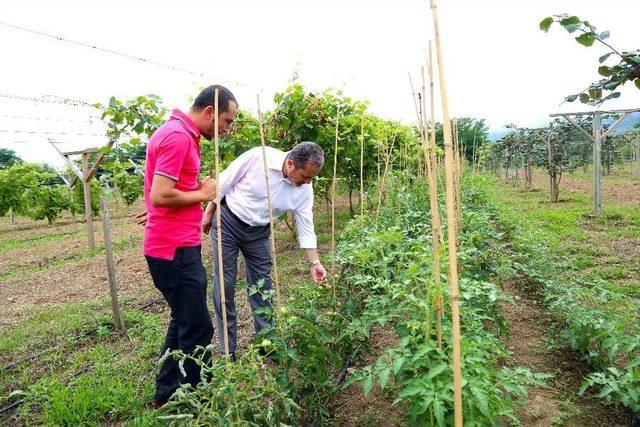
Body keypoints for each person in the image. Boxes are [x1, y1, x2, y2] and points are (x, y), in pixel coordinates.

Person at [143, 84, 238, 408]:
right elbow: (160, 194)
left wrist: (192, 190)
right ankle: (199, 403)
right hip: (174, 251)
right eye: (226, 121)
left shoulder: (182, 134)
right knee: (198, 327)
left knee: (182, 321)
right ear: (209, 112)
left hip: (179, 246)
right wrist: (204, 193)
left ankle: (166, 392)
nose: (227, 129)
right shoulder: (178, 137)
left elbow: (165, 192)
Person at [202, 141, 327, 359]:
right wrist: (209, 211)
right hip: (228, 222)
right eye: (305, 176)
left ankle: (266, 341)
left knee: (263, 286)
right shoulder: (258, 158)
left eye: (312, 178)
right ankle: (228, 349)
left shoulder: (305, 189)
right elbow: (224, 183)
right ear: (290, 164)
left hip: (259, 232)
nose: (308, 182)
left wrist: (315, 263)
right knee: (225, 285)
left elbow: (306, 225)